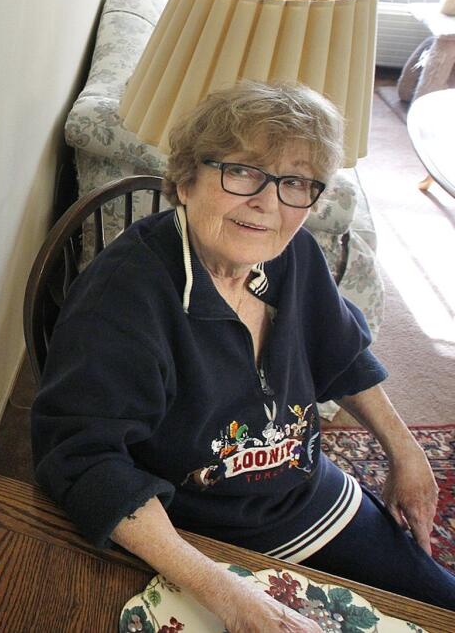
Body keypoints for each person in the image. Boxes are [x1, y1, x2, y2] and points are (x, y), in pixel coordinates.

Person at [31, 81, 455, 631]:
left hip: (312, 495)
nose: (267, 203)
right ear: (186, 179)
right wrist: (227, 594)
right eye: (242, 172)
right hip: (203, 535)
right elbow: (84, 462)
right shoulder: (122, 301)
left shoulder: (291, 252)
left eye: (295, 183)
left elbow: (341, 352)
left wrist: (406, 453)